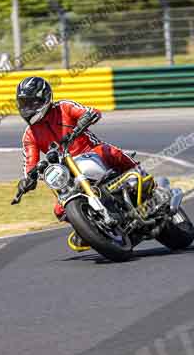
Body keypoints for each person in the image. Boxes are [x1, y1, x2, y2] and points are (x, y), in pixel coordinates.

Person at [14, 76, 139, 252]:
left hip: (92, 153)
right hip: (66, 173)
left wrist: (88, 117)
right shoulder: (30, 135)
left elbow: (90, 111)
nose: (27, 108)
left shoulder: (64, 107)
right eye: (24, 103)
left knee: (111, 152)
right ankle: (90, 226)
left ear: (44, 98)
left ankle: (141, 173)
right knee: (59, 210)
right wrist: (27, 180)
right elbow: (30, 163)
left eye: (32, 103)